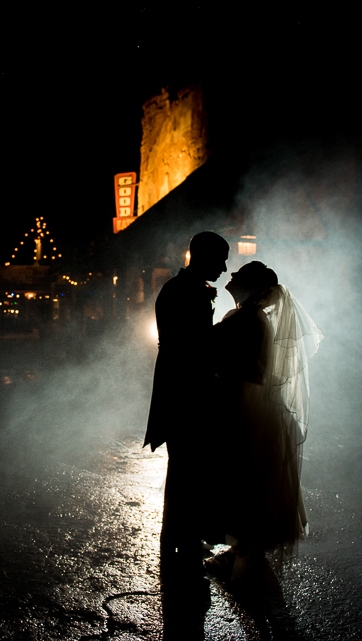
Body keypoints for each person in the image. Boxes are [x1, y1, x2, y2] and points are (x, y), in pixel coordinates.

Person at [205, 261, 323, 582]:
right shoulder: (250, 317)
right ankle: (242, 548)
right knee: (244, 476)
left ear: (253, 288)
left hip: (243, 403)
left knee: (242, 475)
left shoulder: (247, 319)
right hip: (246, 400)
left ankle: (246, 552)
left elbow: (214, 351)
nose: (231, 275)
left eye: (239, 275)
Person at [145, 231, 230, 577]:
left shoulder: (180, 288)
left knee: (184, 468)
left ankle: (178, 537)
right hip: (185, 390)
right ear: (202, 256)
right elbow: (194, 350)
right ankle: (184, 541)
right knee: (188, 467)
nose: (225, 268)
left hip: (178, 386)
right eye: (220, 259)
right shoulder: (186, 292)